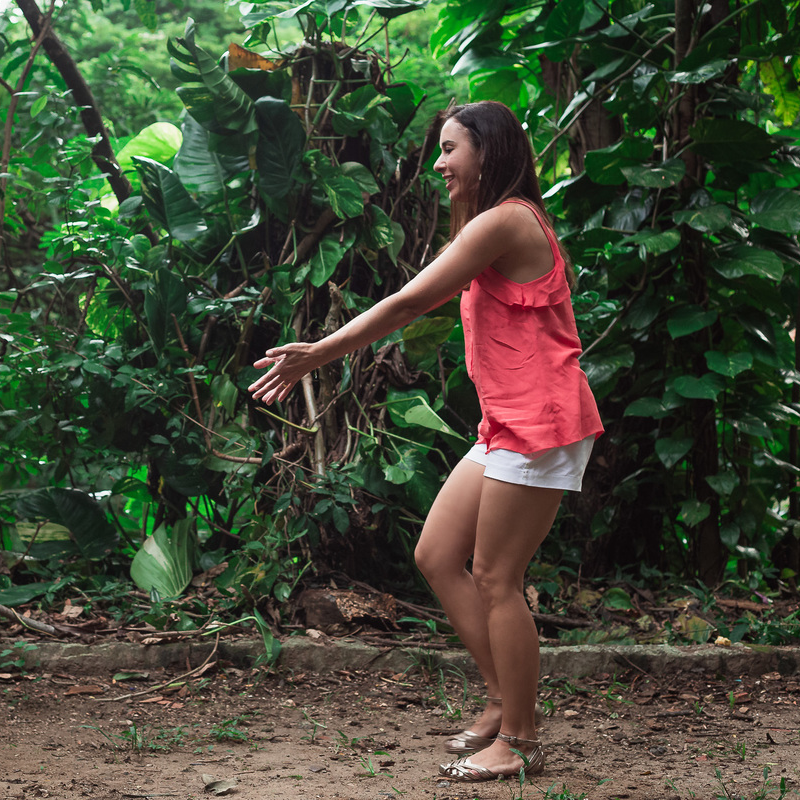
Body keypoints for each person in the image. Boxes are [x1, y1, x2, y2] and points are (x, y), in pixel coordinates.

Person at [250, 101, 603, 782]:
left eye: (449, 149)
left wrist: (316, 355)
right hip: (507, 421)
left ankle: (522, 739)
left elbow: (410, 303)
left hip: (540, 422)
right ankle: (503, 701)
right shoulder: (493, 222)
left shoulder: (506, 219)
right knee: (438, 554)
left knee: (499, 578)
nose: (439, 164)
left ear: (488, 151)